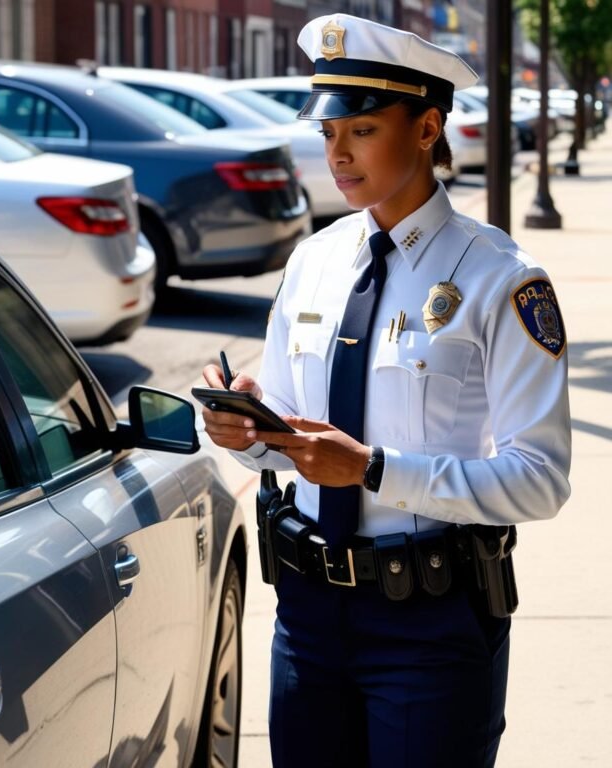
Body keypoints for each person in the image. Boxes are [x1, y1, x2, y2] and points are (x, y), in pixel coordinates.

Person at [200, 12, 572, 768]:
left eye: (362, 130)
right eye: (328, 133)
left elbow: (542, 481)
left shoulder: (500, 277)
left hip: (428, 624)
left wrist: (373, 470)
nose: (337, 152)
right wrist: (250, 433)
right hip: (305, 615)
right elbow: (292, 451)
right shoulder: (315, 261)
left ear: (429, 127)